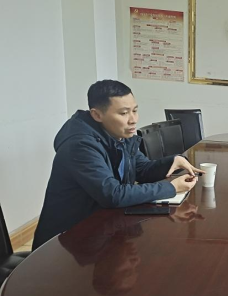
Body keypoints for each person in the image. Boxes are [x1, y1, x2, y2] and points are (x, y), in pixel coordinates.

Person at [32, 80, 201, 249]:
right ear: (97, 115)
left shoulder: (117, 134)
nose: (133, 120)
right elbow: (113, 194)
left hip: (101, 230)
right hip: (66, 243)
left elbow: (142, 169)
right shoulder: (80, 145)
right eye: (124, 113)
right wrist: (171, 188)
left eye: (135, 110)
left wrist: (172, 161)